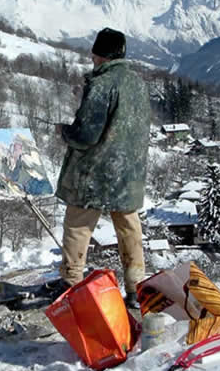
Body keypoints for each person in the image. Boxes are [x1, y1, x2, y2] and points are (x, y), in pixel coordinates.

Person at [52, 27, 151, 309]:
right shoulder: (137, 83)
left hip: (95, 173)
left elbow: (86, 136)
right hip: (129, 172)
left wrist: (65, 132)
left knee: (78, 226)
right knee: (129, 228)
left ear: (99, 54)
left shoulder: (102, 84)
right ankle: (135, 288)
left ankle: (71, 284)